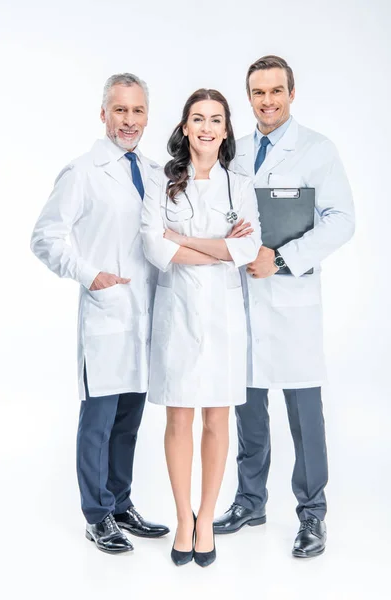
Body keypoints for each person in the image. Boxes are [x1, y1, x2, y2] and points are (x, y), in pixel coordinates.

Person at [214, 55, 355, 558]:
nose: (267, 101)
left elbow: (342, 220)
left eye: (276, 91)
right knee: (247, 406)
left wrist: (286, 258)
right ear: (248, 98)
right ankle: (250, 500)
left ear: (292, 93)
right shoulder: (236, 152)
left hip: (293, 298)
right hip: (245, 298)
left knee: (304, 413)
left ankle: (312, 512)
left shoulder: (317, 149)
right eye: (258, 93)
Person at [31, 73, 169, 554]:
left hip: (145, 318)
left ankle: (121, 503)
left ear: (147, 116)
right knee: (99, 420)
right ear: (104, 114)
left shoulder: (154, 172)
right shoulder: (82, 171)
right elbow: (45, 238)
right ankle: (96, 514)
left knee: (129, 420)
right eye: (120, 110)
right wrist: (91, 277)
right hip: (107, 315)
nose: (128, 121)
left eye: (137, 111)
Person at [140, 88, 261, 567]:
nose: (207, 127)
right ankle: (182, 519)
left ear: (226, 129)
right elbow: (154, 249)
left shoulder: (241, 185)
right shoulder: (161, 181)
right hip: (178, 314)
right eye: (198, 118)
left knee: (217, 418)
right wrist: (218, 249)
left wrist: (184, 240)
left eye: (216, 119)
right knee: (178, 419)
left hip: (224, 318)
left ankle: (206, 516)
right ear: (185, 127)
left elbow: (247, 252)